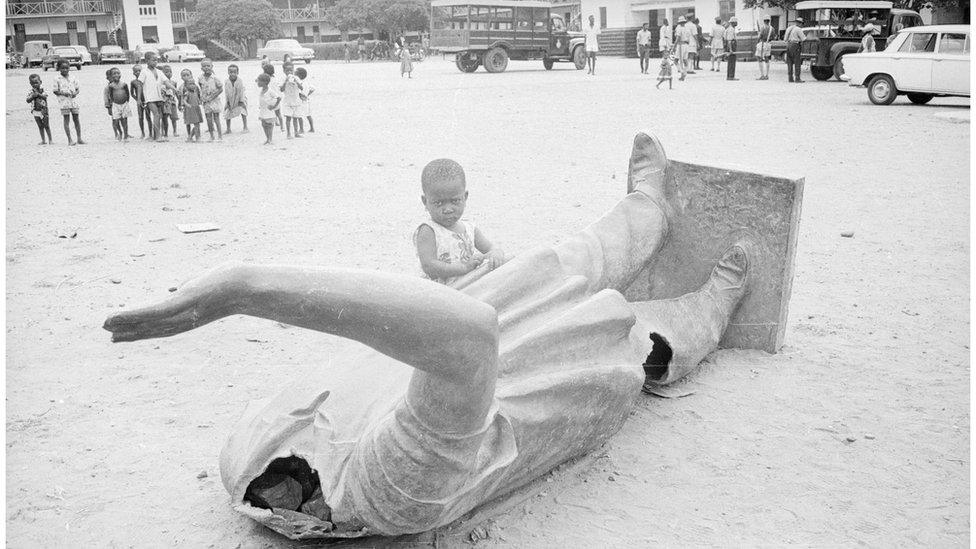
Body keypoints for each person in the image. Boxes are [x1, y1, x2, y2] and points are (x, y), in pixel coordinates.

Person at [103, 133, 755, 538]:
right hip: (549, 370)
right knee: (644, 332)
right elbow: (464, 336)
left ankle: (649, 211)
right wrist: (245, 286)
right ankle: (712, 301)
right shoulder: (391, 493)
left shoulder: (247, 456)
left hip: (462, 346)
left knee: (572, 259)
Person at [413, 159, 506, 286]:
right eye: (439, 203)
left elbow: (490, 248)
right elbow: (429, 266)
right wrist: (462, 268)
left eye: (455, 201)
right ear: (425, 201)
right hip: (439, 292)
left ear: (465, 197)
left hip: (468, 288)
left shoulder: (469, 228)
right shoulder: (428, 230)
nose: (448, 209)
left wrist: (496, 253)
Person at [52, 59, 84, 145]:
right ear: (59, 68)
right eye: (62, 68)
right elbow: (55, 91)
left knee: (76, 119)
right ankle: (70, 139)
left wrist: (75, 93)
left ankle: (79, 138)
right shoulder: (57, 79)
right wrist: (63, 93)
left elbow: (77, 89)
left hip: (73, 102)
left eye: (67, 68)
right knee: (66, 120)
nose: (65, 70)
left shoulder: (73, 77)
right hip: (64, 103)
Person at [137, 52, 166, 141]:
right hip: (150, 98)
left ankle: (155, 135)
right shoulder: (144, 72)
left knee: (160, 116)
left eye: (156, 60)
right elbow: (139, 85)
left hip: (159, 97)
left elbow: (166, 82)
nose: (155, 62)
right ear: (147, 61)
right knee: (156, 115)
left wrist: (175, 89)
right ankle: (158, 136)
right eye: (153, 60)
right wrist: (138, 99)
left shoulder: (159, 72)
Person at [198, 58, 223, 141]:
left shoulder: (215, 77)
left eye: (208, 66)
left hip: (214, 101)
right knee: (208, 118)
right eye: (204, 66)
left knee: (216, 118)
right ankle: (212, 135)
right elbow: (200, 88)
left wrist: (212, 97)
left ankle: (220, 135)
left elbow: (220, 89)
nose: (206, 68)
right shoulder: (200, 78)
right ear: (201, 68)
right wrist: (202, 98)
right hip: (206, 101)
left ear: (212, 66)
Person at [104, 67, 131, 141]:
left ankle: (125, 135)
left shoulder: (123, 84)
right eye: (113, 74)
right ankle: (118, 132)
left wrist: (126, 101)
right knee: (115, 121)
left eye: (118, 73)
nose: (116, 75)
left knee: (124, 120)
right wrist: (109, 106)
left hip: (123, 104)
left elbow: (127, 93)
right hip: (114, 105)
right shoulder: (109, 87)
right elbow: (108, 96)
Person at [279, 60, 303, 139]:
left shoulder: (296, 78)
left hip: (296, 101)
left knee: (295, 118)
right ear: (284, 71)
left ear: (293, 70)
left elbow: (301, 88)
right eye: (287, 70)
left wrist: (296, 81)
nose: (289, 72)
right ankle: (288, 133)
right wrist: (286, 81)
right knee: (288, 118)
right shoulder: (283, 79)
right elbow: (281, 90)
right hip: (288, 102)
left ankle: (296, 132)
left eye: (291, 70)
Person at [26, 74, 53, 145]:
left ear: (40, 82)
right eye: (32, 83)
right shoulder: (30, 91)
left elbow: (45, 97)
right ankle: (43, 140)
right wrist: (32, 96)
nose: (35, 84)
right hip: (35, 111)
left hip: (43, 110)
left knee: (46, 125)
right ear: (30, 83)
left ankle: (50, 140)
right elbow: (28, 100)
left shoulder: (43, 89)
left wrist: (38, 94)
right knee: (40, 126)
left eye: (36, 82)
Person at [179, 68, 203, 142]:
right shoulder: (183, 88)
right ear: (181, 77)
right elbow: (181, 99)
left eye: (188, 75)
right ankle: (193, 137)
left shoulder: (196, 88)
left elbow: (198, 95)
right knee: (191, 123)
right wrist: (183, 105)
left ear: (191, 75)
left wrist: (200, 101)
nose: (186, 77)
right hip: (189, 109)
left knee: (197, 123)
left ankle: (192, 137)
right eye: (184, 75)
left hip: (196, 107)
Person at [256, 73, 281, 145]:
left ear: (265, 82)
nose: (258, 82)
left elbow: (278, 98)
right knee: (263, 124)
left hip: (269, 111)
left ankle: (270, 139)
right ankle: (267, 138)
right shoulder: (261, 90)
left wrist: (274, 106)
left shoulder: (270, 91)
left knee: (269, 125)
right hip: (263, 110)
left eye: (259, 81)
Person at [223, 64, 248, 134]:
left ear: (237, 72)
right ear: (228, 72)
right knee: (227, 113)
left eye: (234, 72)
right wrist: (227, 102)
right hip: (230, 98)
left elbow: (240, 92)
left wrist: (240, 101)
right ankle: (228, 129)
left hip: (240, 99)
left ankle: (245, 127)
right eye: (231, 72)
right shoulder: (226, 81)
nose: (233, 74)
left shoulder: (239, 81)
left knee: (243, 111)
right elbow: (226, 92)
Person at [160, 65, 180, 138]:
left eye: (170, 72)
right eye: (166, 72)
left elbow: (176, 92)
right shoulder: (161, 83)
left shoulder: (174, 82)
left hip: (172, 102)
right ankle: (163, 132)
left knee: (174, 118)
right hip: (164, 102)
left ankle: (175, 131)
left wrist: (179, 101)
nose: (169, 73)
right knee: (164, 118)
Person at [131, 65, 150, 139]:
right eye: (136, 71)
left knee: (148, 117)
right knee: (140, 117)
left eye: (140, 71)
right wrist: (137, 100)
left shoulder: (146, 80)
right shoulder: (133, 82)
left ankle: (150, 133)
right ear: (133, 73)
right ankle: (142, 133)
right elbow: (132, 93)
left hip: (147, 100)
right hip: (139, 102)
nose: (138, 72)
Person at [262, 64, 284, 128]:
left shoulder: (266, 80)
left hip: (269, 98)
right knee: (278, 113)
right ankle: (282, 126)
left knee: (269, 112)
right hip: (277, 98)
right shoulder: (275, 78)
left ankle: (271, 123)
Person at [785, 17, 806, 83]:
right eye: (802, 24)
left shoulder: (789, 28)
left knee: (789, 62)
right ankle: (797, 78)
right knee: (797, 62)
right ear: (800, 23)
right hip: (795, 45)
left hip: (788, 45)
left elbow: (785, 39)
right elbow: (803, 39)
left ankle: (790, 78)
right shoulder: (798, 29)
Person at [295, 67, 314, 134]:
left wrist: (302, 96)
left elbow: (299, 93)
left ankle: (301, 129)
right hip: (306, 100)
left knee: (299, 115)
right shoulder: (306, 82)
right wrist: (307, 95)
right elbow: (313, 89)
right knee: (308, 115)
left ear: (299, 75)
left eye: (295, 73)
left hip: (301, 101)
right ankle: (312, 128)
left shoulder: (300, 83)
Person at [756, 15, 774, 80]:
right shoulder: (772, 28)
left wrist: (757, 42)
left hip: (762, 43)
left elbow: (759, 37)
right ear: (769, 21)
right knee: (767, 59)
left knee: (759, 59)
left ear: (764, 21)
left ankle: (762, 75)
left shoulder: (762, 28)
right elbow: (773, 37)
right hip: (768, 44)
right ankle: (767, 75)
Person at [674, 16, 692, 80]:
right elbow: (689, 39)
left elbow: (678, 38)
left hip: (681, 45)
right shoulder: (687, 29)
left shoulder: (679, 29)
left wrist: (674, 46)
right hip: (686, 45)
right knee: (685, 61)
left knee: (676, 60)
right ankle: (685, 73)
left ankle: (682, 73)